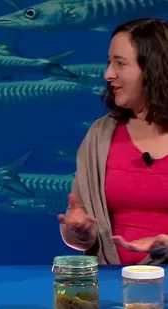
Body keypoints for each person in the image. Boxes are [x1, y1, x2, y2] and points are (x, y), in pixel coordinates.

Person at [58, 18, 168, 265]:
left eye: (120, 64)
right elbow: (78, 227)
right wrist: (80, 231)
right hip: (113, 287)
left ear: (154, 69)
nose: (108, 74)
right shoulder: (100, 134)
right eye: (109, 62)